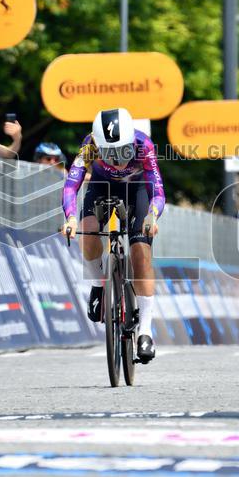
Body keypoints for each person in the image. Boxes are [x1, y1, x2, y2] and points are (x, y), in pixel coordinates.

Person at [62, 108, 164, 364]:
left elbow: (158, 190)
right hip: (101, 187)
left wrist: (152, 215)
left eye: (124, 152)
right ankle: (98, 285)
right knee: (87, 231)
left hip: (137, 190)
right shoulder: (89, 145)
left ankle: (146, 332)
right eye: (110, 154)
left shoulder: (144, 144)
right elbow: (71, 186)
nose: (118, 160)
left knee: (140, 252)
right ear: (98, 145)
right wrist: (70, 217)